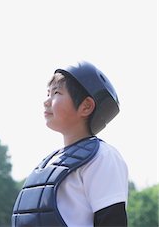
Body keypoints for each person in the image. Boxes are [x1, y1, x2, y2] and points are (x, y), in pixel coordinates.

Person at [12, 61, 129, 226]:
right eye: (48, 93)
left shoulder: (102, 157)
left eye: (56, 93)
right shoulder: (49, 162)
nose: (46, 101)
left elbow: (112, 219)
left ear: (86, 106)